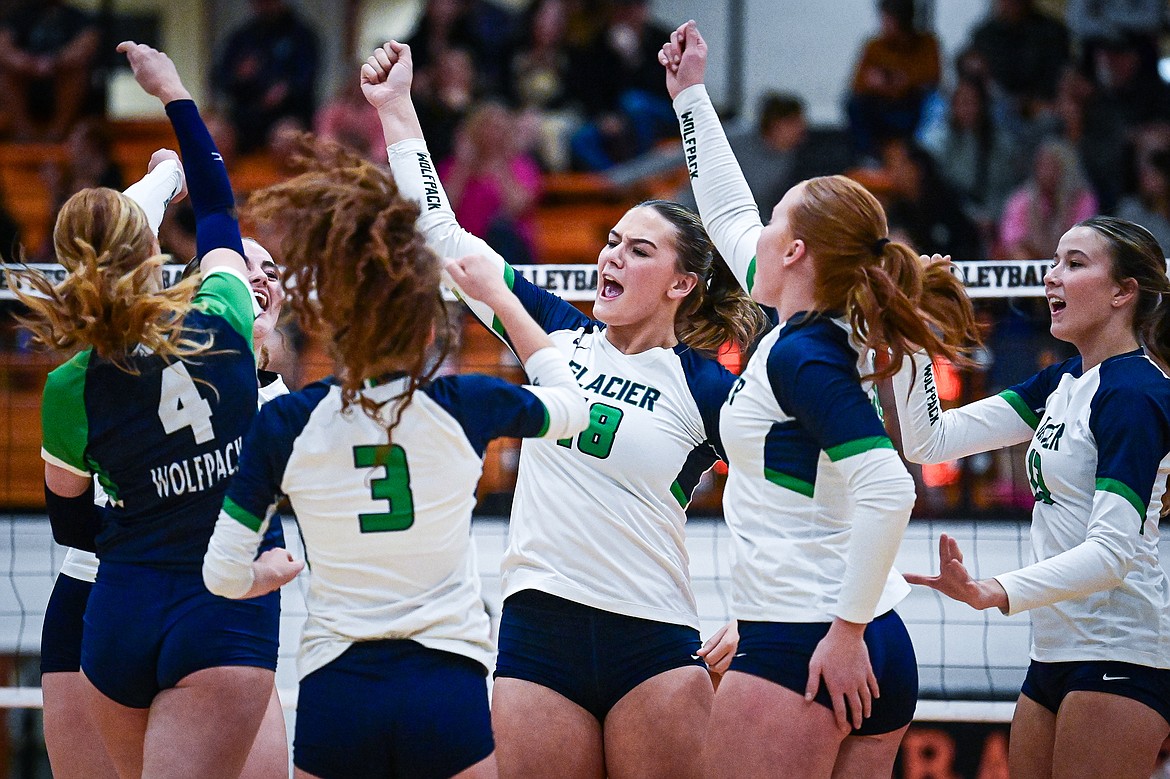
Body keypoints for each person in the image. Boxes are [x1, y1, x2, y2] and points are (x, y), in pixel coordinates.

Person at [366, 40, 767, 778]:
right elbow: (446, 240)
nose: (610, 257)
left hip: (653, 639)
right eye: (611, 241)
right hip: (536, 633)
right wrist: (397, 110)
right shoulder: (558, 332)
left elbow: (802, 494)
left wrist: (766, 617)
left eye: (638, 250)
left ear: (682, 284)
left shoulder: (706, 386)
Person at [202, 136, 588, 779]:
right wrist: (504, 299)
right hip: (446, 681)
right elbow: (575, 409)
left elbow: (220, 576)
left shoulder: (284, 423)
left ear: (334, 320)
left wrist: (259, 577)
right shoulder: (470, 402)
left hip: (335, 688)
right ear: (429, 324)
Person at [660, 21, 980, 777]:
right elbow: (728, 215)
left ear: (797, 252)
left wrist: (841, 630)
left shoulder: (804, 355)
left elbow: (888, 486)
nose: (759, 232)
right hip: (860, 633)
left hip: (812, 645)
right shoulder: (821, 329)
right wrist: (690, 98)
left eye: (777, 223)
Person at [10, 42, 298, 778]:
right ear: (161, 259)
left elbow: (73, 522)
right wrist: (172, 97)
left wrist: (162, 178)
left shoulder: (74, 381)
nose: (259, 278)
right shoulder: (223, 315)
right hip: (211, 592)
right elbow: (217, 208)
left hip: (116, 592)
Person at [895, 215, 1170, 779]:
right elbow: (931, 442)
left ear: (1124, 292)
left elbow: (1114, 553)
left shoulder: (1136, 394)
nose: (1051, 278)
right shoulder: (1063, 382)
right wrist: (914, 334)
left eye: (1074, 264)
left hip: (1121, 649)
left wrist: (994, 590)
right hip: (1054, 647)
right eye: (1054, 262)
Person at [212, 0, 319, 154]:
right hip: (245, 115)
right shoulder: (242, 37)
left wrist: (286, 91)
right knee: (214, 134)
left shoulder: (303, 36)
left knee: (288, 137)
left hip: (287, 114)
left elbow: (307, 79)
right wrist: (239, 76)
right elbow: (219, 79)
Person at [0, 0, 99, 141]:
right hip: (27, 82)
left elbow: (87, 44)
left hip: (62, 81)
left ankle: (56, 134)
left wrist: (55, 62)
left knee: (76, 74)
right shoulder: (20, 16)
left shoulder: (77, 17)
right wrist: (26, 63)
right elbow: (3, 46)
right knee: (5, 76)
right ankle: (24, 134)